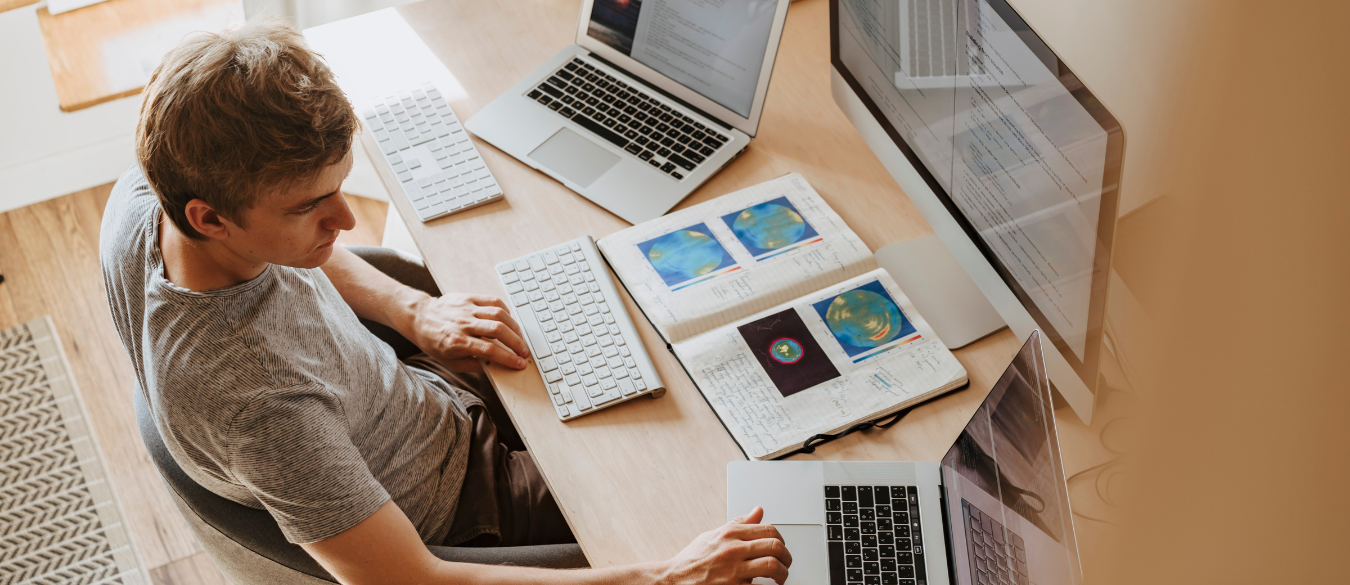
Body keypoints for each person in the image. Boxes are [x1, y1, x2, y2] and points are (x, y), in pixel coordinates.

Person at [100, 20, 791, 585]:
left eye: (341, 186)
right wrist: (668, 578)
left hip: (416, 397)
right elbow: (410, 580)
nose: (344, 221)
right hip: (467, 504)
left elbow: (291, 235)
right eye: (311, 206)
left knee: (652, 332)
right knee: (730, 493)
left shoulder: (150, 193)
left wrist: (412, 312)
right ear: (210, 217)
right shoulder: (257, 405)